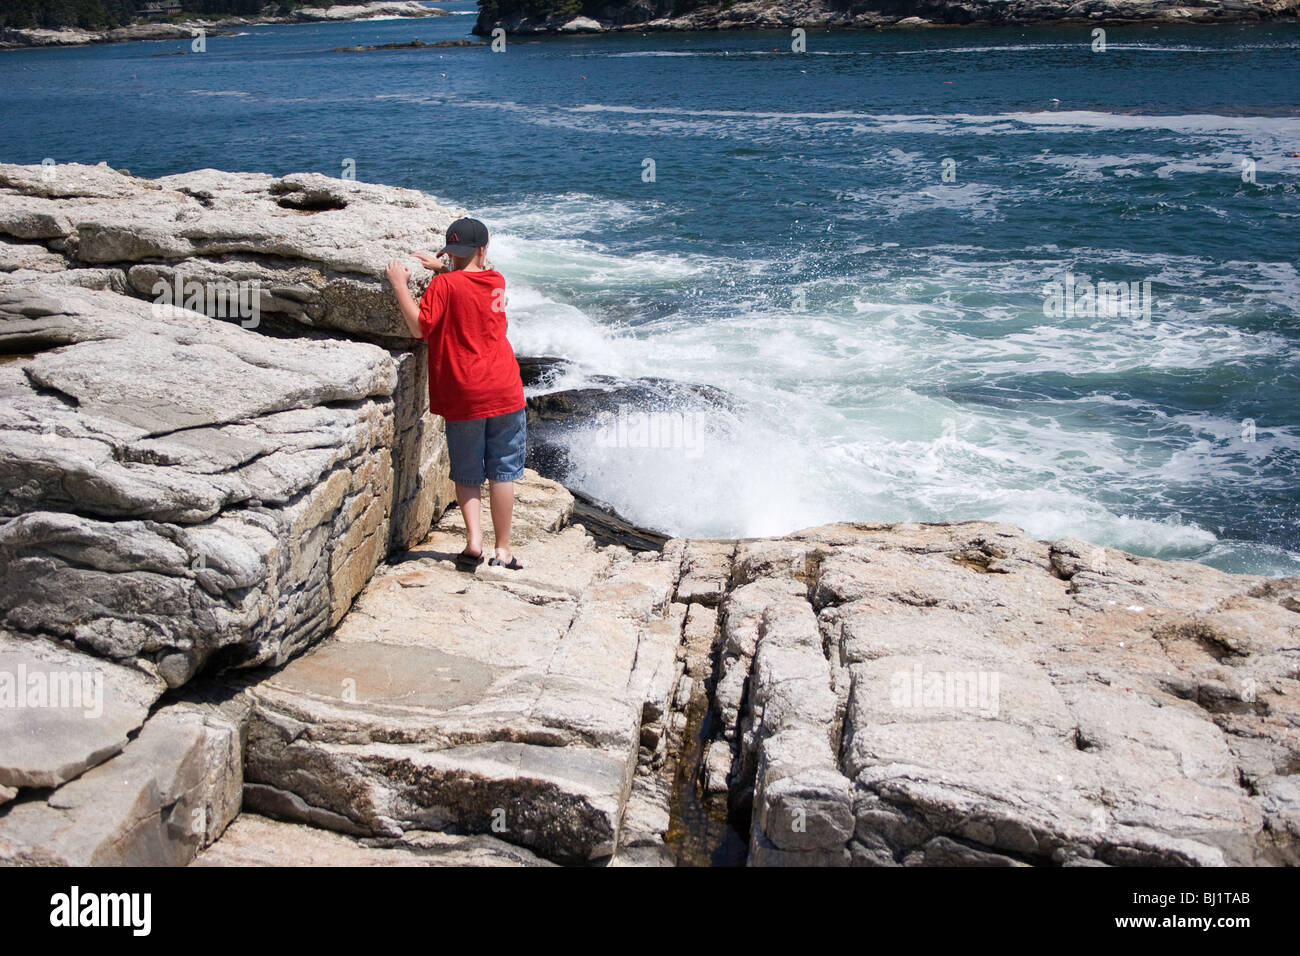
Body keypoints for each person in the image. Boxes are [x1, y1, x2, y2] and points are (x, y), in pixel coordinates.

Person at [386, 217, 526, 571]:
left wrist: (400, 285)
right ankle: (503, 550)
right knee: (503, 472)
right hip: (505, 388)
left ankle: (474, 543)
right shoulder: (497, 281)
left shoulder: (444, 286)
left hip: (465, 393)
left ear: (451, 252)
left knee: (467, 472)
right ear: (483, 250)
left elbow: (420, 327)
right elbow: (472, 291)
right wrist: (444, 272)